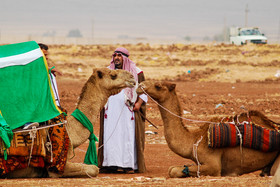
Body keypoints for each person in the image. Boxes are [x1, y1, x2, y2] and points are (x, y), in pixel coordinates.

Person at [98, 47, 147, 174]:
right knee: (111, 136)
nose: (116, 58)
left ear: (125, 57)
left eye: (119, 55)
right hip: (110, 111)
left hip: (127, 111)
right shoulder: (107, 72)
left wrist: (138, 104)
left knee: (127, 136)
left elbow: (144, 91)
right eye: (114, 55)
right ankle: (111, 164)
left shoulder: (137, 72)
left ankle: (127, 165)